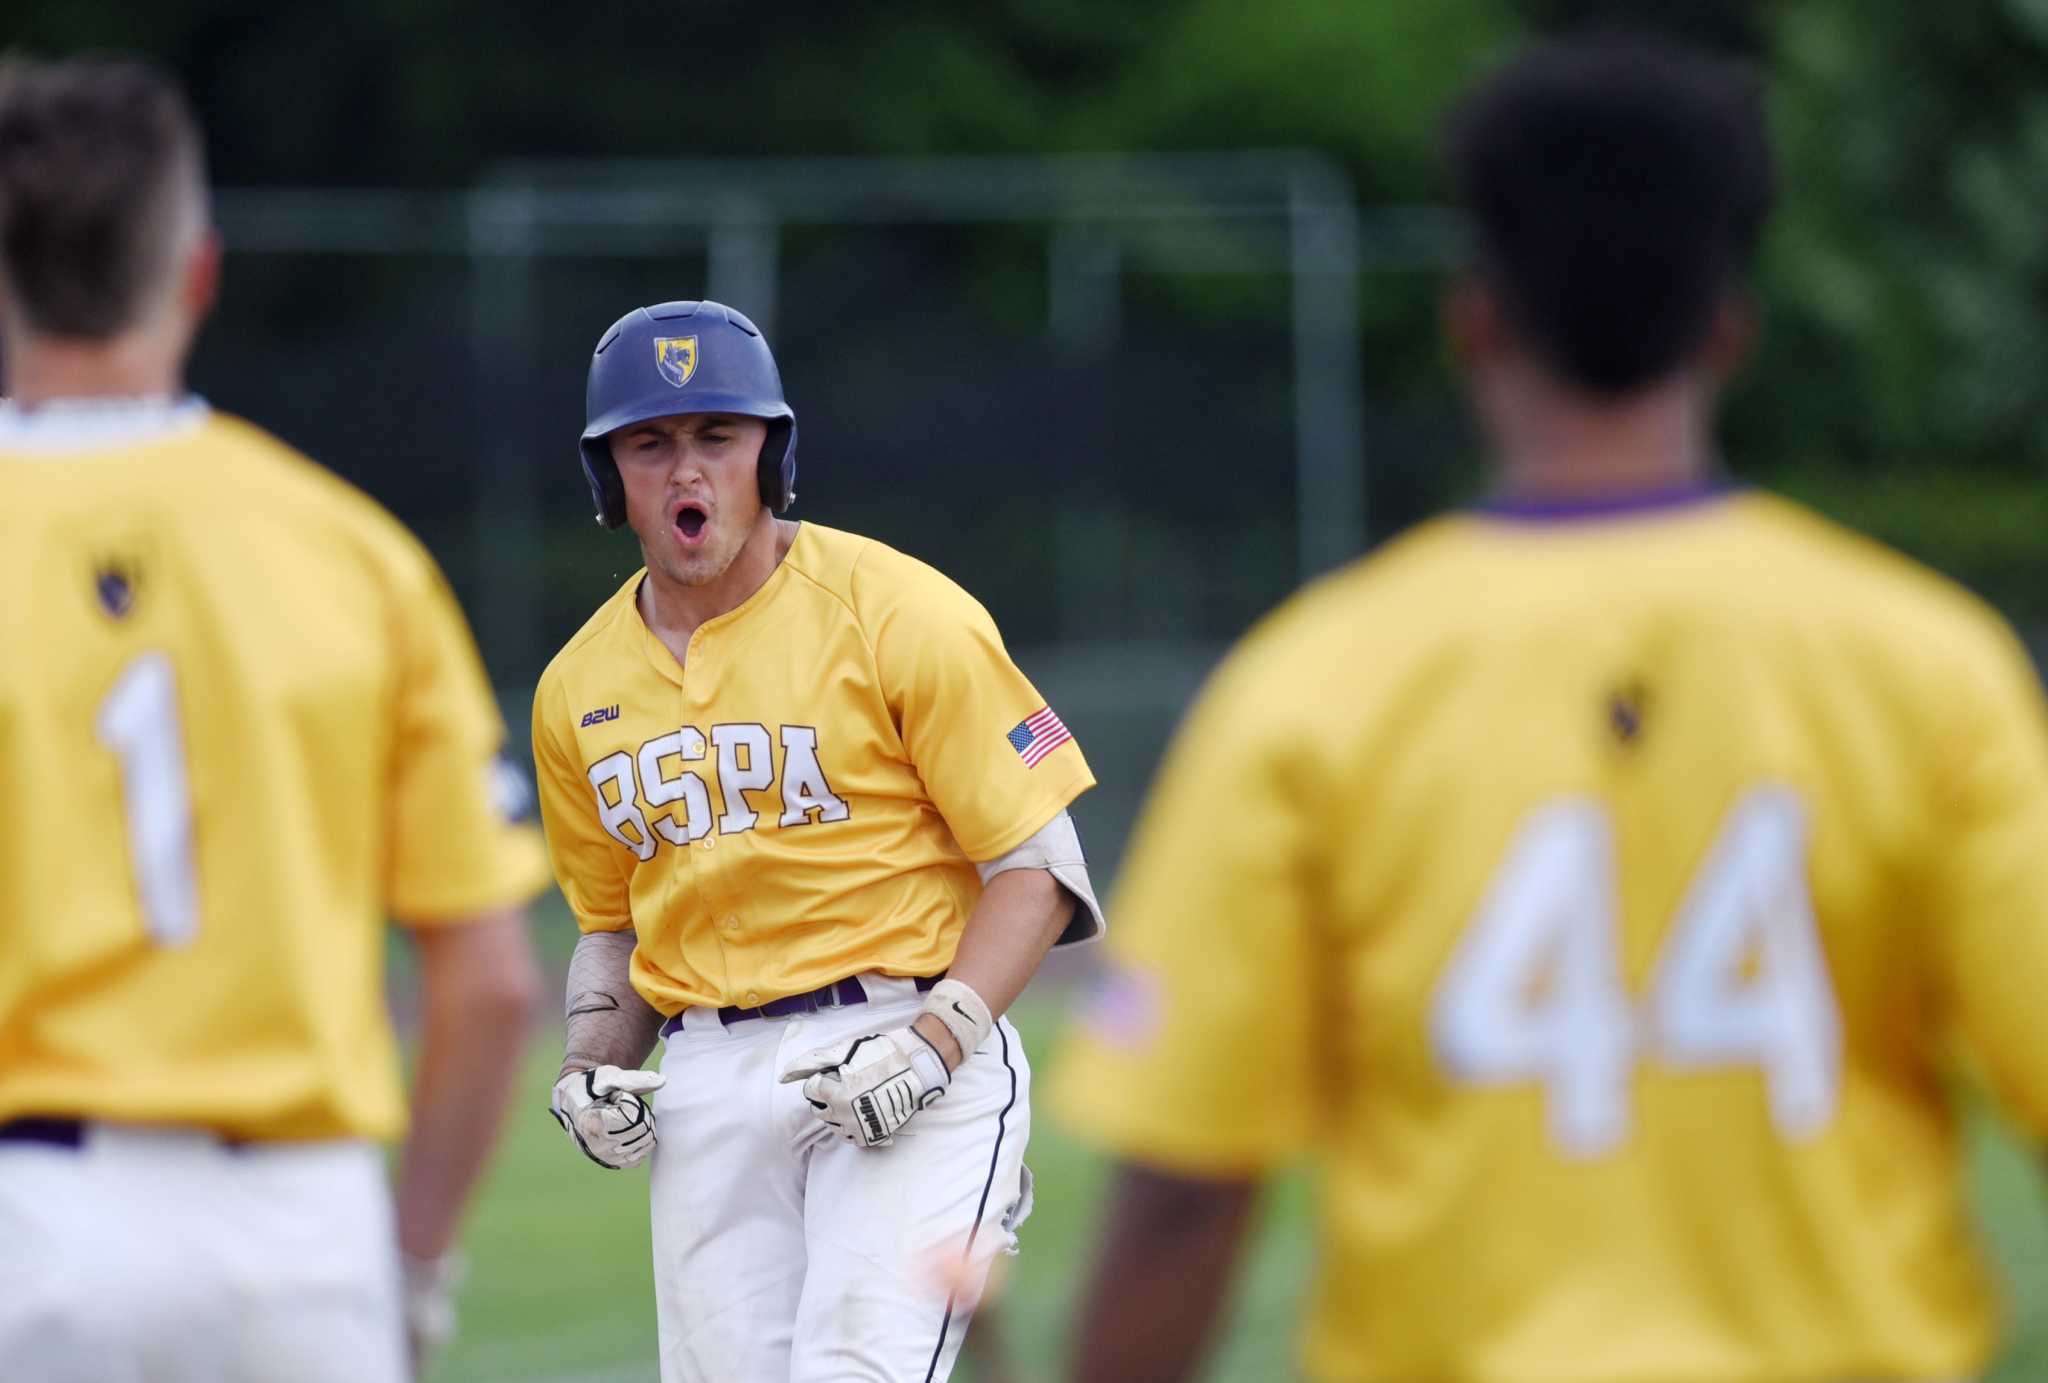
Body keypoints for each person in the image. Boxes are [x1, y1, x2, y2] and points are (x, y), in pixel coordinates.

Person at [1053, 33, 2048, 1383]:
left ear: (1476, 315)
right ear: (1727, 326)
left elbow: (1184, 1185)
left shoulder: (1313, 685)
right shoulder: (1930, 663)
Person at [0, 55, 548, 1382]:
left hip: (27, 1219)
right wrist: (408, 1266)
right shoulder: (347, 551)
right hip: (296, 1233)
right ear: (197, 273)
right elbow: (488, 983)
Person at [532, 298, 1104, 1382]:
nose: (685, 471)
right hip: (706, 1082)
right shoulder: (577, 688)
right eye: (649, 444)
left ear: (771, 456)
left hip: (907, 1038)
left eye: (717, 436)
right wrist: (584, 1068)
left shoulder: (895, 610)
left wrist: (932, 1048)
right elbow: (616, 931)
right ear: (610, 479)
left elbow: (1039, 871)